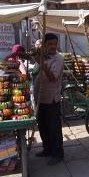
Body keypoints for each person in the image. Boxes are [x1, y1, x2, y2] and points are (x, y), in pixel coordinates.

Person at [34, 33, 64, 165]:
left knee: (54, 128)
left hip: (52, 98)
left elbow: (52, 78)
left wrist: (42, 63)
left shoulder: (58, 58)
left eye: (55, 44)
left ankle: (58, 154)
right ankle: (47, 149)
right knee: (43, 126)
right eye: (50, 44)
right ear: (44, 44)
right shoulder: (44, 57)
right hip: (40, 98)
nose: (53, 46)